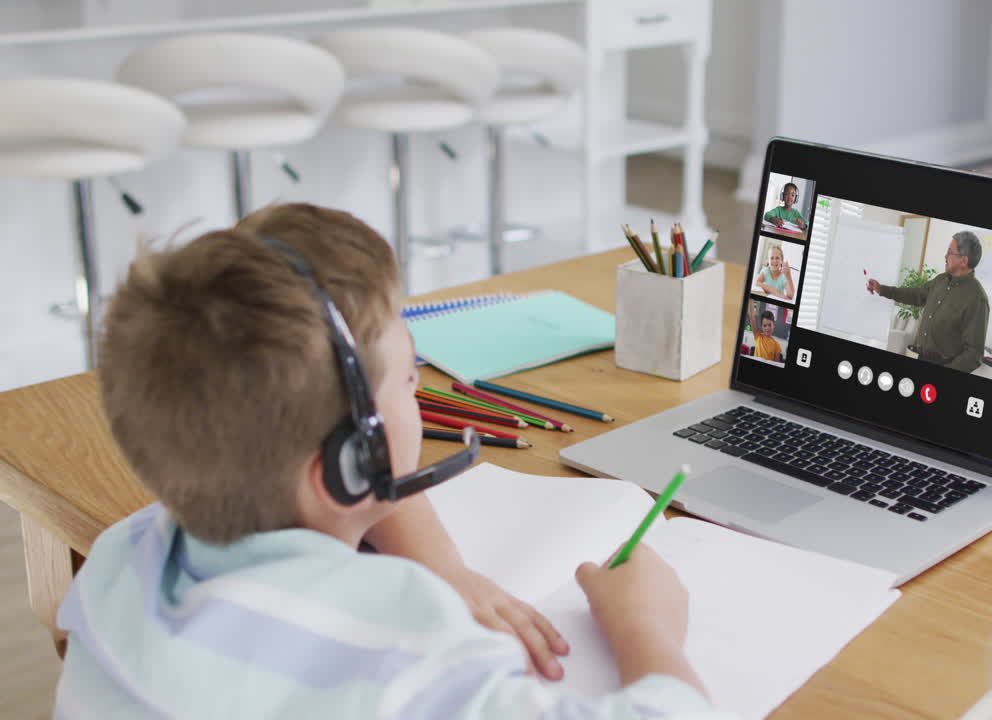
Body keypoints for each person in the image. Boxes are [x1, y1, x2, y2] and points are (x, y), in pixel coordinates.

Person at [55, 203, 710, 718]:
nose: (421, 386)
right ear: (346, 465)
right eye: (406, 380)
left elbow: (321, 477)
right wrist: (644, 626)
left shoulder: (123, 561)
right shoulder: (403, 646)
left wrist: (446, 565)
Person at [866, 231, 990, 373]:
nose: (945, 256)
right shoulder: (941, 280)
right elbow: (916, 295)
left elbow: (974, 354)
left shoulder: (977, 298)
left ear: (963, 260)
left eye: (949, 252)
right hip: (921, 358)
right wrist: (882, 289)